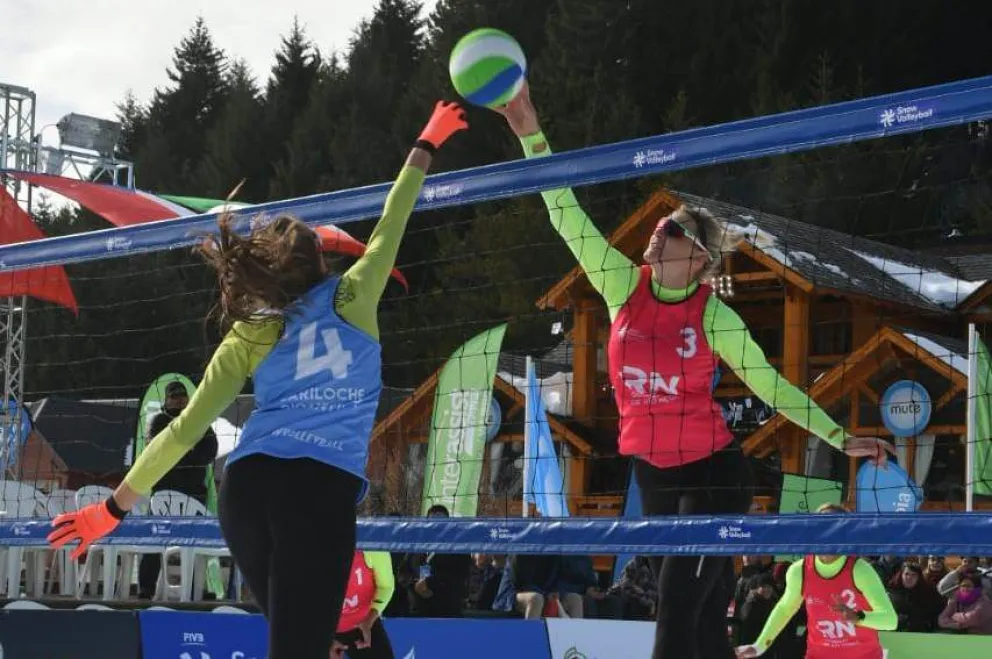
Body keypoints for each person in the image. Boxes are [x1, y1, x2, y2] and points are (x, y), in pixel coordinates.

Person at [46, 100, 469, 659]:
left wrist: (112, 509)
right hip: (317, 492)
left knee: (314, 641)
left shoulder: (250, 330)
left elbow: (181, 431)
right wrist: (426, 142)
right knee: (307, 643)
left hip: (245, 492)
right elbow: (395, 215)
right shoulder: (355, 291)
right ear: (323, 261)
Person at [493, 83, 893, 659]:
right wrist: (530, 130)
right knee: (704, 622)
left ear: (701, 260)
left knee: (677, 606)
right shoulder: (620, 283)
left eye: (675, 229)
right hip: (652, 474)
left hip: (715, 475)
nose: (660, 231)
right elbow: (566, 214)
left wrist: (839, 435)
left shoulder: (715, 316)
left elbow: (770, 385)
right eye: (662, 225)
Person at [734, 504, 897, 659]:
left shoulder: (860, 570)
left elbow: (890, 620)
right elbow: (785, 609)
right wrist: (759, 646)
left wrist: (858, 617)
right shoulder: (800, 571)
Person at [138, 379, 218, 599]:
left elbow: (210, 452)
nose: (180, 400)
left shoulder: (199, 420)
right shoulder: (158, 421)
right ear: (167, 400)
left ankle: (195, 588)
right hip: (165, 493)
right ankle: (146, 587)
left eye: (182, 396)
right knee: (155, 540)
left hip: (194, 494)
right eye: (174, 396)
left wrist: (180, 451)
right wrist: (188, 450)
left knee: (196, 542)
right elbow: (158, 450)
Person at [401, 504, 472, 618]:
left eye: (440, 522)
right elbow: (403, 573)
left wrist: (429, 583)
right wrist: (415, 585)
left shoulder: (458, 549)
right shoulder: (416, 547)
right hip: (417, 611)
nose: (436, 526)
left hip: (447, 614)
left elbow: (460, 577)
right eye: (432, 522)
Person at [331, 550, 396, 659]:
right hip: (321, 628)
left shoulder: (372, 546)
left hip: (364, 625)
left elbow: (386, 587)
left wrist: (370, 619)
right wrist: (324, 640)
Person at [886, 562, 943, 632]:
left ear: (919, 578)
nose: (909, 578)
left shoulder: (929, 593)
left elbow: (936, 615)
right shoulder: (892, 592)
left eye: (914, 575)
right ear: (901, 575)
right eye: (906, 574)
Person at [937, 570, 992, 635]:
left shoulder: (985, 601)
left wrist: (954, 616)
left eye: (968, 586)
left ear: (976, 588)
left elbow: (972, 618)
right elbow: (941, 619)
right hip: (962, 634)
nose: (965, 588)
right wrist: (957, 625)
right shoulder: (955, 599)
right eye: (963, 585)